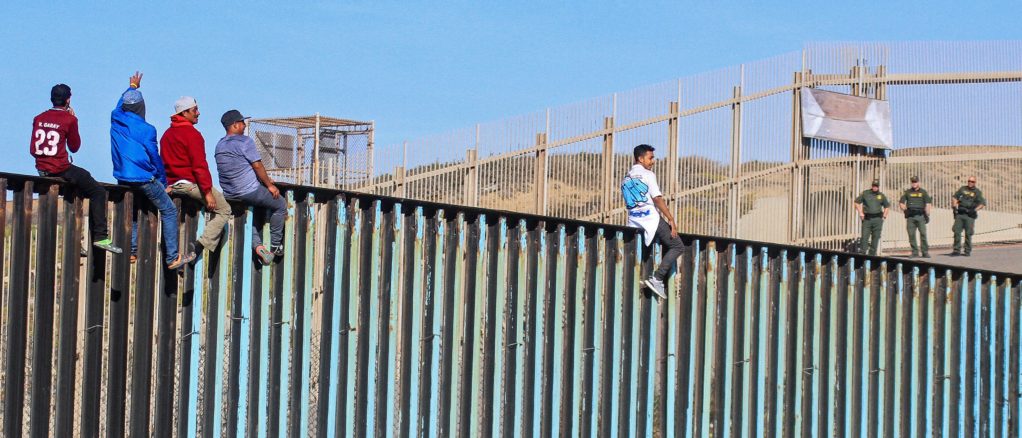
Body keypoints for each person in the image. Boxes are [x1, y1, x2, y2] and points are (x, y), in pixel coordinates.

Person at [110, 72, 195, 269]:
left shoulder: (116, 117)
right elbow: (154, 157)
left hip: (122, 176)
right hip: (142, 178)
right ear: (141, 107)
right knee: (169, 210)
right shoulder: (147, 129)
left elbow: (119, 104)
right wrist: (163, 182)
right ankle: (173, 257)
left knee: (132, 211)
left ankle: (132, 252)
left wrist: (132, 87)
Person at [30, 84, 121, 254]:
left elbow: (32, 149)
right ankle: (101, 236)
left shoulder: (39, 118)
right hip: (60, 168)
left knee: (77, 185)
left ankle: (74, 240)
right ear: (68, 100)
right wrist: (73, 120)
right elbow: (74, 147)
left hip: (41, 168)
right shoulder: (69, 119)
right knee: (97, 191)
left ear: (52, 98)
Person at [160, 96, 232, 259]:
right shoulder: (192, 134)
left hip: (174, 185)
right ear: (184, 113)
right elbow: (200, 166)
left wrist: (168, 183)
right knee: (224, 210)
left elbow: (162, 162)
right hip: (190, 184)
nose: (198, 113)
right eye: (195, 110)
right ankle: (199, 246)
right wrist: (207, 192)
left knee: (186, 217)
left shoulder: (167, 134)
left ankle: (181, 256)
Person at [214, 109, 287, 265]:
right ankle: (276, 246)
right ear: (234, 125)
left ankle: (259, 247)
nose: (244, 125)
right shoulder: (244, 141)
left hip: (229, 194)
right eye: (242, 122)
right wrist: (269, 185)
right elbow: (257, 166)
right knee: (280, 204)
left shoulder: (219, 145)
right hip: (249, 191)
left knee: (248, 215)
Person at [621, 144, 682, 300]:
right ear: (640, 159)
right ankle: (658, 278)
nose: (653, 161)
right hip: (650, 218)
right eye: (650, 157)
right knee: (677, 246)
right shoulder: (648, 175)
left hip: (633, 221)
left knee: (641, 252)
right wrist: (670, 218)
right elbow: (657, 199)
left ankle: (636, 279)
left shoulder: (626, 178)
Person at [951, 176, 986, 256]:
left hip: (969, 215)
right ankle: (956, 250)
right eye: (969, 181)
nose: (970, 182)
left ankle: (967, 251)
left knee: (968, 233)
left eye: (972, 181)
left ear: (975, 183)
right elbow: (955, 197)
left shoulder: (977, 192)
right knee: (956, 231)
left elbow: (982, 204)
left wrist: (974, 210)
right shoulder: (962, 189)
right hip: (960, 213)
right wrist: (954, 207)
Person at [898, 176, 932, 258]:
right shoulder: (908, 192)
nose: (914, 183)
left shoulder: (923, 192)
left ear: (918, 182)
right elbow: (901, 202)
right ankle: (915, 252)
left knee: (923, 234)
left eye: (915, 182)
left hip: (920, 216)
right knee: (911, 234)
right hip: (911, 217)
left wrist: (927, 213)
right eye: (913, 182)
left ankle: (925, 252)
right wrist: (905, 210)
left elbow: (928, 203)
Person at [854, 179, 890, 256]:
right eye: (874, 186)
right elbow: (856, 202)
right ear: (872, 186)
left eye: (876, 186)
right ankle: (863, 253)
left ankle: (872, 254)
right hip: (867, 219)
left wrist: (884, 216)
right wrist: (860, 212)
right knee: (864, 237)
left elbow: (887, 206)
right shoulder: (866, 193)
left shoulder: (881, 195)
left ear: (878, 187)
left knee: (876, 237)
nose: (875, 187)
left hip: (878, 219)